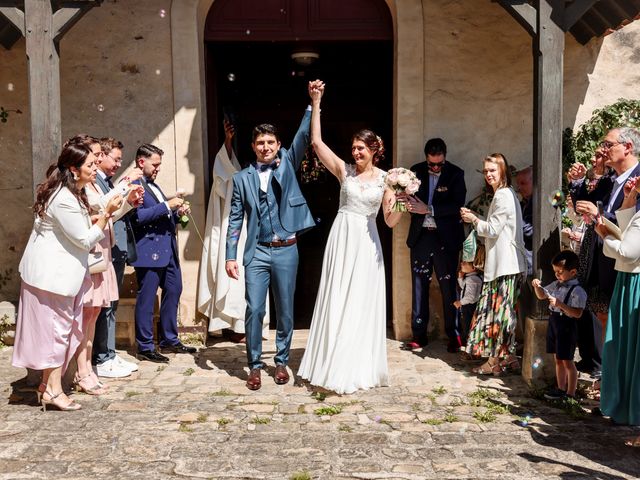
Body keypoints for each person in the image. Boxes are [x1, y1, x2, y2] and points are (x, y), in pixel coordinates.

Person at [297, 81, 402, 394]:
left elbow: (390, 220)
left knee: (361, 299)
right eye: (354, 147)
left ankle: (357, 363)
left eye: (361, 148)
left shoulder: (387, 180)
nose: (355, 152)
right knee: (338, 295)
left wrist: (401, 202)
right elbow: (316, 143)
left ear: (374, 151)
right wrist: (316, 101)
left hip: (367, 242)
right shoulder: (344, 171)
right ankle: (330, 360)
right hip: (342, 237)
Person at [12, 141, 123, 410]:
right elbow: (85, 239)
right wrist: (106, 214)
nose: (95, 168)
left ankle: (48, 386)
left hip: (58, 277)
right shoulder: (63, 198)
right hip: (51, 278)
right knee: (56, 332)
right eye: (90, 165)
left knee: (62, 330)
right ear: (74, 169)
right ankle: (52, 391)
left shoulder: (73, 194)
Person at [225, 81, 317, 391]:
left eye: (271, 142)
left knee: (285, 308)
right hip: (257, 252)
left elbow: (304, 136)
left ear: (278, 145)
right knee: (255, 308)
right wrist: (230, 254)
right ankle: (253, 365)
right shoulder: (241, 179)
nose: (266, 147)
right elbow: (236, 218)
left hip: (287, 248)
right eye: (260, 143)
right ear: (253, 146)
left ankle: (280, 361)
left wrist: (313, 103)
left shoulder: (287, 163)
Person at [198, 120, 270, 342]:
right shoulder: (235, 179)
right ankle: (235, 326)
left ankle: (249, 326)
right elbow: (225, 169)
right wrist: (228, 142)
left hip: (258, 234)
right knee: (235, 279)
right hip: (237, 235)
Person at [460, 153, 526, 375]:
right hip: (509, 264)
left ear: (502, 172)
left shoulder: (502, 196)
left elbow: (493, 229)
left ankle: (493, 362)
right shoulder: (508, 194)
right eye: (486, 171)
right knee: (505, 314)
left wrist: (473, 219)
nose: (488, 175)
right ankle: (508, 359)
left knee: (495, 315)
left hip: (503, 265)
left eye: (492, 171)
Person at [130, 144, 196, 363]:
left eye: (159, 164)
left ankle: (169, 339)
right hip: (148, 251)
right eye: (155, 164)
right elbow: (138, 217)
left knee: (174, 289)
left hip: (168, 250)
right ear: (141, 162)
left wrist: (177, 214)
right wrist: (167, 205)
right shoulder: (133, 185)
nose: (158, 168)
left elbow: (161, 217)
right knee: (147, 299)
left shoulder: (154, 186)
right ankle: (145, 346)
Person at [401, 138, 467, 353]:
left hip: (445, 239)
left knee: (449, 288)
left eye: (439, 164)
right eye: (432, 164)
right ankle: (419, 335)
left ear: (445, 157)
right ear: (426, 159)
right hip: (421, 237)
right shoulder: (415, 172)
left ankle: (454, 334)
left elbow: (456, 205)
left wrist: (428, 209)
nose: (436, 168)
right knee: (419, 285)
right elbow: (408, 201)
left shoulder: (456, 174)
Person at [93, 137, 142, 378]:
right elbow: (104, 212)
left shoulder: (106, 182)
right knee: (104, 305)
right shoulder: (96, 183)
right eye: (116, 159)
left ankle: (109, 352)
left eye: (121, 160)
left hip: (115, 248)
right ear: (101, 156)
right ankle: (102, 356)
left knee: (111, 304)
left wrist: (130, 203)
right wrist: (124, 185)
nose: (118, 163)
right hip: (104, 250)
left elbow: (114, 213)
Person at [595, 170, 640, 427]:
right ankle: (621, 406)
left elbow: (627, 251)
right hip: (627, 280)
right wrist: (628, 201)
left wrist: (604, 236)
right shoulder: (637, 210)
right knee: (620, 348)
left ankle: (630, 408)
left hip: (634, 283)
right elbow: (628, 231)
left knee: (625, 348)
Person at [532, 250, 587, 400]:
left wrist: (560, 304)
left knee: (568, 360)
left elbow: (577, 313)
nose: (556, 274)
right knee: (558, 359)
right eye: (555, 271)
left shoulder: (578, 291)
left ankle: (570, 393)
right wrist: (537, 287)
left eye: (560, 272)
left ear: (573, 272)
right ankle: (560, 388)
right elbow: (542, 295)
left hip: (567, 326)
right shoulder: (556, 285)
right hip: (554, 323)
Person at [453, 256, 483, 346]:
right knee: (467, 325)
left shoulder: (472, 280)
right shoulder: (472, 278)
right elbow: (465, 288)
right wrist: (460, 278)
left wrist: (460, 302)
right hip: (469, 306)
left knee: (468, 326)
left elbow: (471, 297)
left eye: (465, 262)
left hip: (470, 307)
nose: (461, 263)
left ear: (473, 267)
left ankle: (468, 344)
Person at [515, 166, 533, 274]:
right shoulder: (523, 204)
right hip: (523, 263)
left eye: (523, 183)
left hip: (533, 264)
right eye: (518, 184)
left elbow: (535, 232)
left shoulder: (541, 204)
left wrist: (516, 219)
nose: (519, 188)